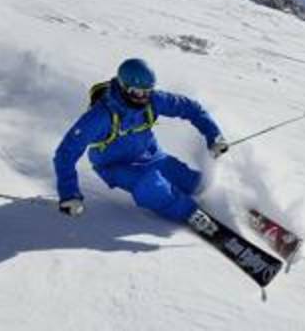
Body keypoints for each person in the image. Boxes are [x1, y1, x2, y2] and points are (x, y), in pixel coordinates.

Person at [53, 58, 230, 233]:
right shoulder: (100, 116)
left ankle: (226, 205)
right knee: (150, 185)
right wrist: (69, 194)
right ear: (123, 88)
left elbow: (191, 108)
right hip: (116, 166)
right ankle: (189, 213)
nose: (143, 97)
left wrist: (214, 136)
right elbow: (66, 153)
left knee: (194, 183)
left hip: (153, 156)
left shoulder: (153, 100)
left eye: (148, 91)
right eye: (138, 92)